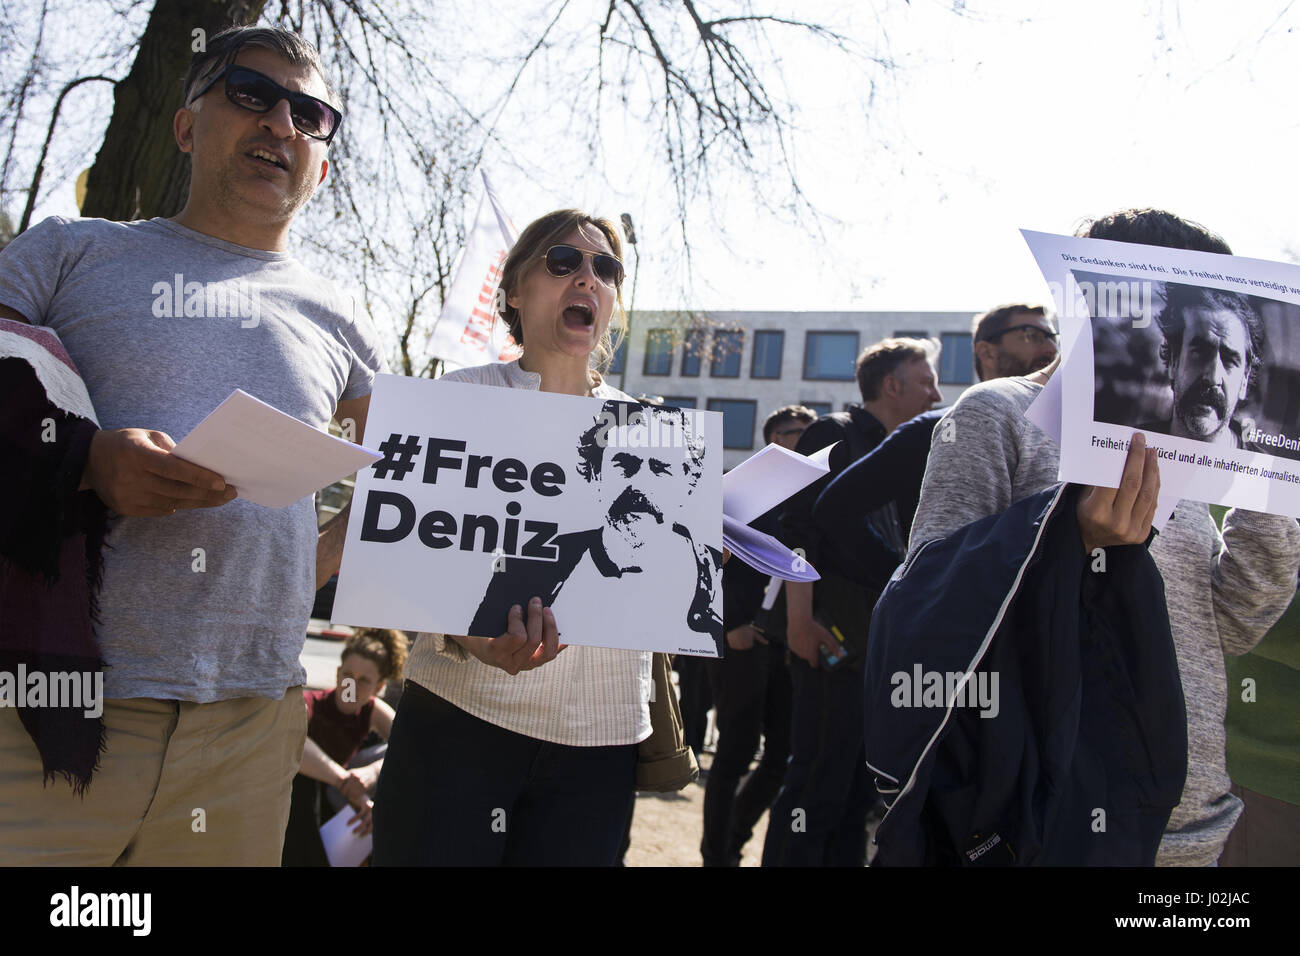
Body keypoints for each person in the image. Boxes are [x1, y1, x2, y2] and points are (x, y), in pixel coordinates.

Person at [0, 26, 384, 866]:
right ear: (185, 125)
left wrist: (299, 570)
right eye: (251, 93)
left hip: (251, 727)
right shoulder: (67, 253)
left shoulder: (345, 323)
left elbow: (414, 493)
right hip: (53, 707)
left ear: (321, 159)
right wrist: (86, 461)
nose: (282, 123)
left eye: (310, 113)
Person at [897, 207, 1300, 866]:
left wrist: (1272, 498)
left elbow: (1230, 627)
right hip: (1043, 820)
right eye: (1201, 345)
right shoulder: (995, 414)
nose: (1216, 372)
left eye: (1232, 356)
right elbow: (928, 606)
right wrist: (1070, 542)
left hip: (1189, 826)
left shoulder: (1194, 452)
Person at [373, 210, 669, 866]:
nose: (588, 278)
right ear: (514, 292)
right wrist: (466, 635)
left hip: (599, 749)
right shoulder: (456, 398)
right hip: (458, 726)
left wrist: (691, 558)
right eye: (564, 262)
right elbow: (401, 556)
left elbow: (649, 581)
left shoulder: (653, 434)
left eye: (606, 270)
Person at [763, 338, 942, 867]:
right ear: (893, 385)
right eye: (927, 379)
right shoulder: (833, 432)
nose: (937, 392)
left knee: (857, 791)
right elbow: (796, 526)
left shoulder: (911, 453)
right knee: (815, 780)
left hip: (879, 639)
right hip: (829, 632)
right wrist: (799, 620)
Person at [467, 398, 722, 655]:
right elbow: (476, 632)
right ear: (595, 474)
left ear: (690, 483)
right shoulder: (529, 561)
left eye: (661, 468)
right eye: (624, 465)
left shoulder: (714, 572)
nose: (640, 484)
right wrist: (490, 649)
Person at [700, 404, 814, 866]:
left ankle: (734, 837)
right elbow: (703, 564)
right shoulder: (741, 492)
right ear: (773, 440)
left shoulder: (812, 500)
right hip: (741, 644)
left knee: (783, 754)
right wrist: (728, 629)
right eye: (795, 433)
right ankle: (716, 856)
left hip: (788, 648)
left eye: (811, 434)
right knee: (733, 754)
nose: (804, 441)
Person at [282, 628, 406, 866]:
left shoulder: (373, 710)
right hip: (298, 801)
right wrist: (349, 786)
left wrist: (372, 775)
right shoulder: (310, 704)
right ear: (338, 674)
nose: (352, 685)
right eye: (348, 675)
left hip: (335, 803)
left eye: (364, 681)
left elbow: (409, 748)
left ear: (378, 687)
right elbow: (293, 744)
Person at [1138, 284, 1264, 448]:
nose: (1213, 377)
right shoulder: (1128, 447)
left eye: (1229, 360)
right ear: (1173, 362)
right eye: (1200, 353)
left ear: (1244, 381)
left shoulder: (1263, 469)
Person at [971, 304, 1059, 381]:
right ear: (987, 353)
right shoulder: (978, 399)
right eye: (1033, 336)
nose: (1053, 349)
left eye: (1053, 338)